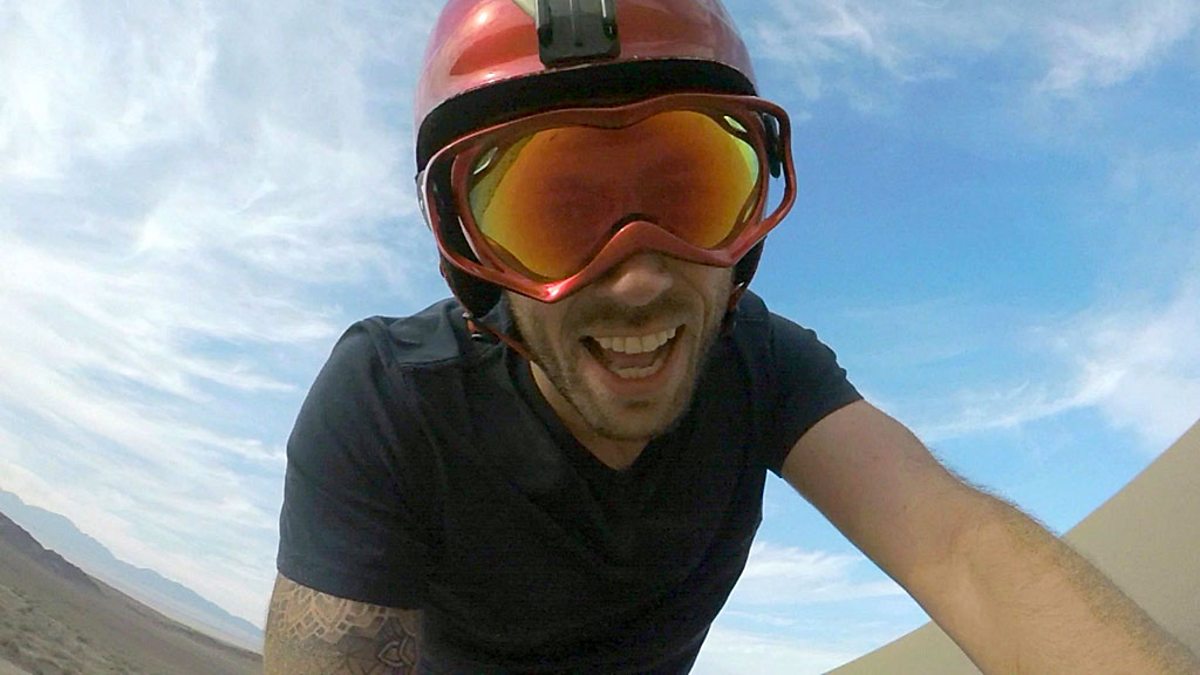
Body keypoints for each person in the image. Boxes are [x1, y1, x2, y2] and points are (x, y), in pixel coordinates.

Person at [263, 1, 1200, 673]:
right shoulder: (391, 400)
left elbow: (958, 547)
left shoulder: (763, 366)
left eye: (692, 192)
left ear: (745, 235)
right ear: (476, 260)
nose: (638, 275)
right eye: (555, 213)